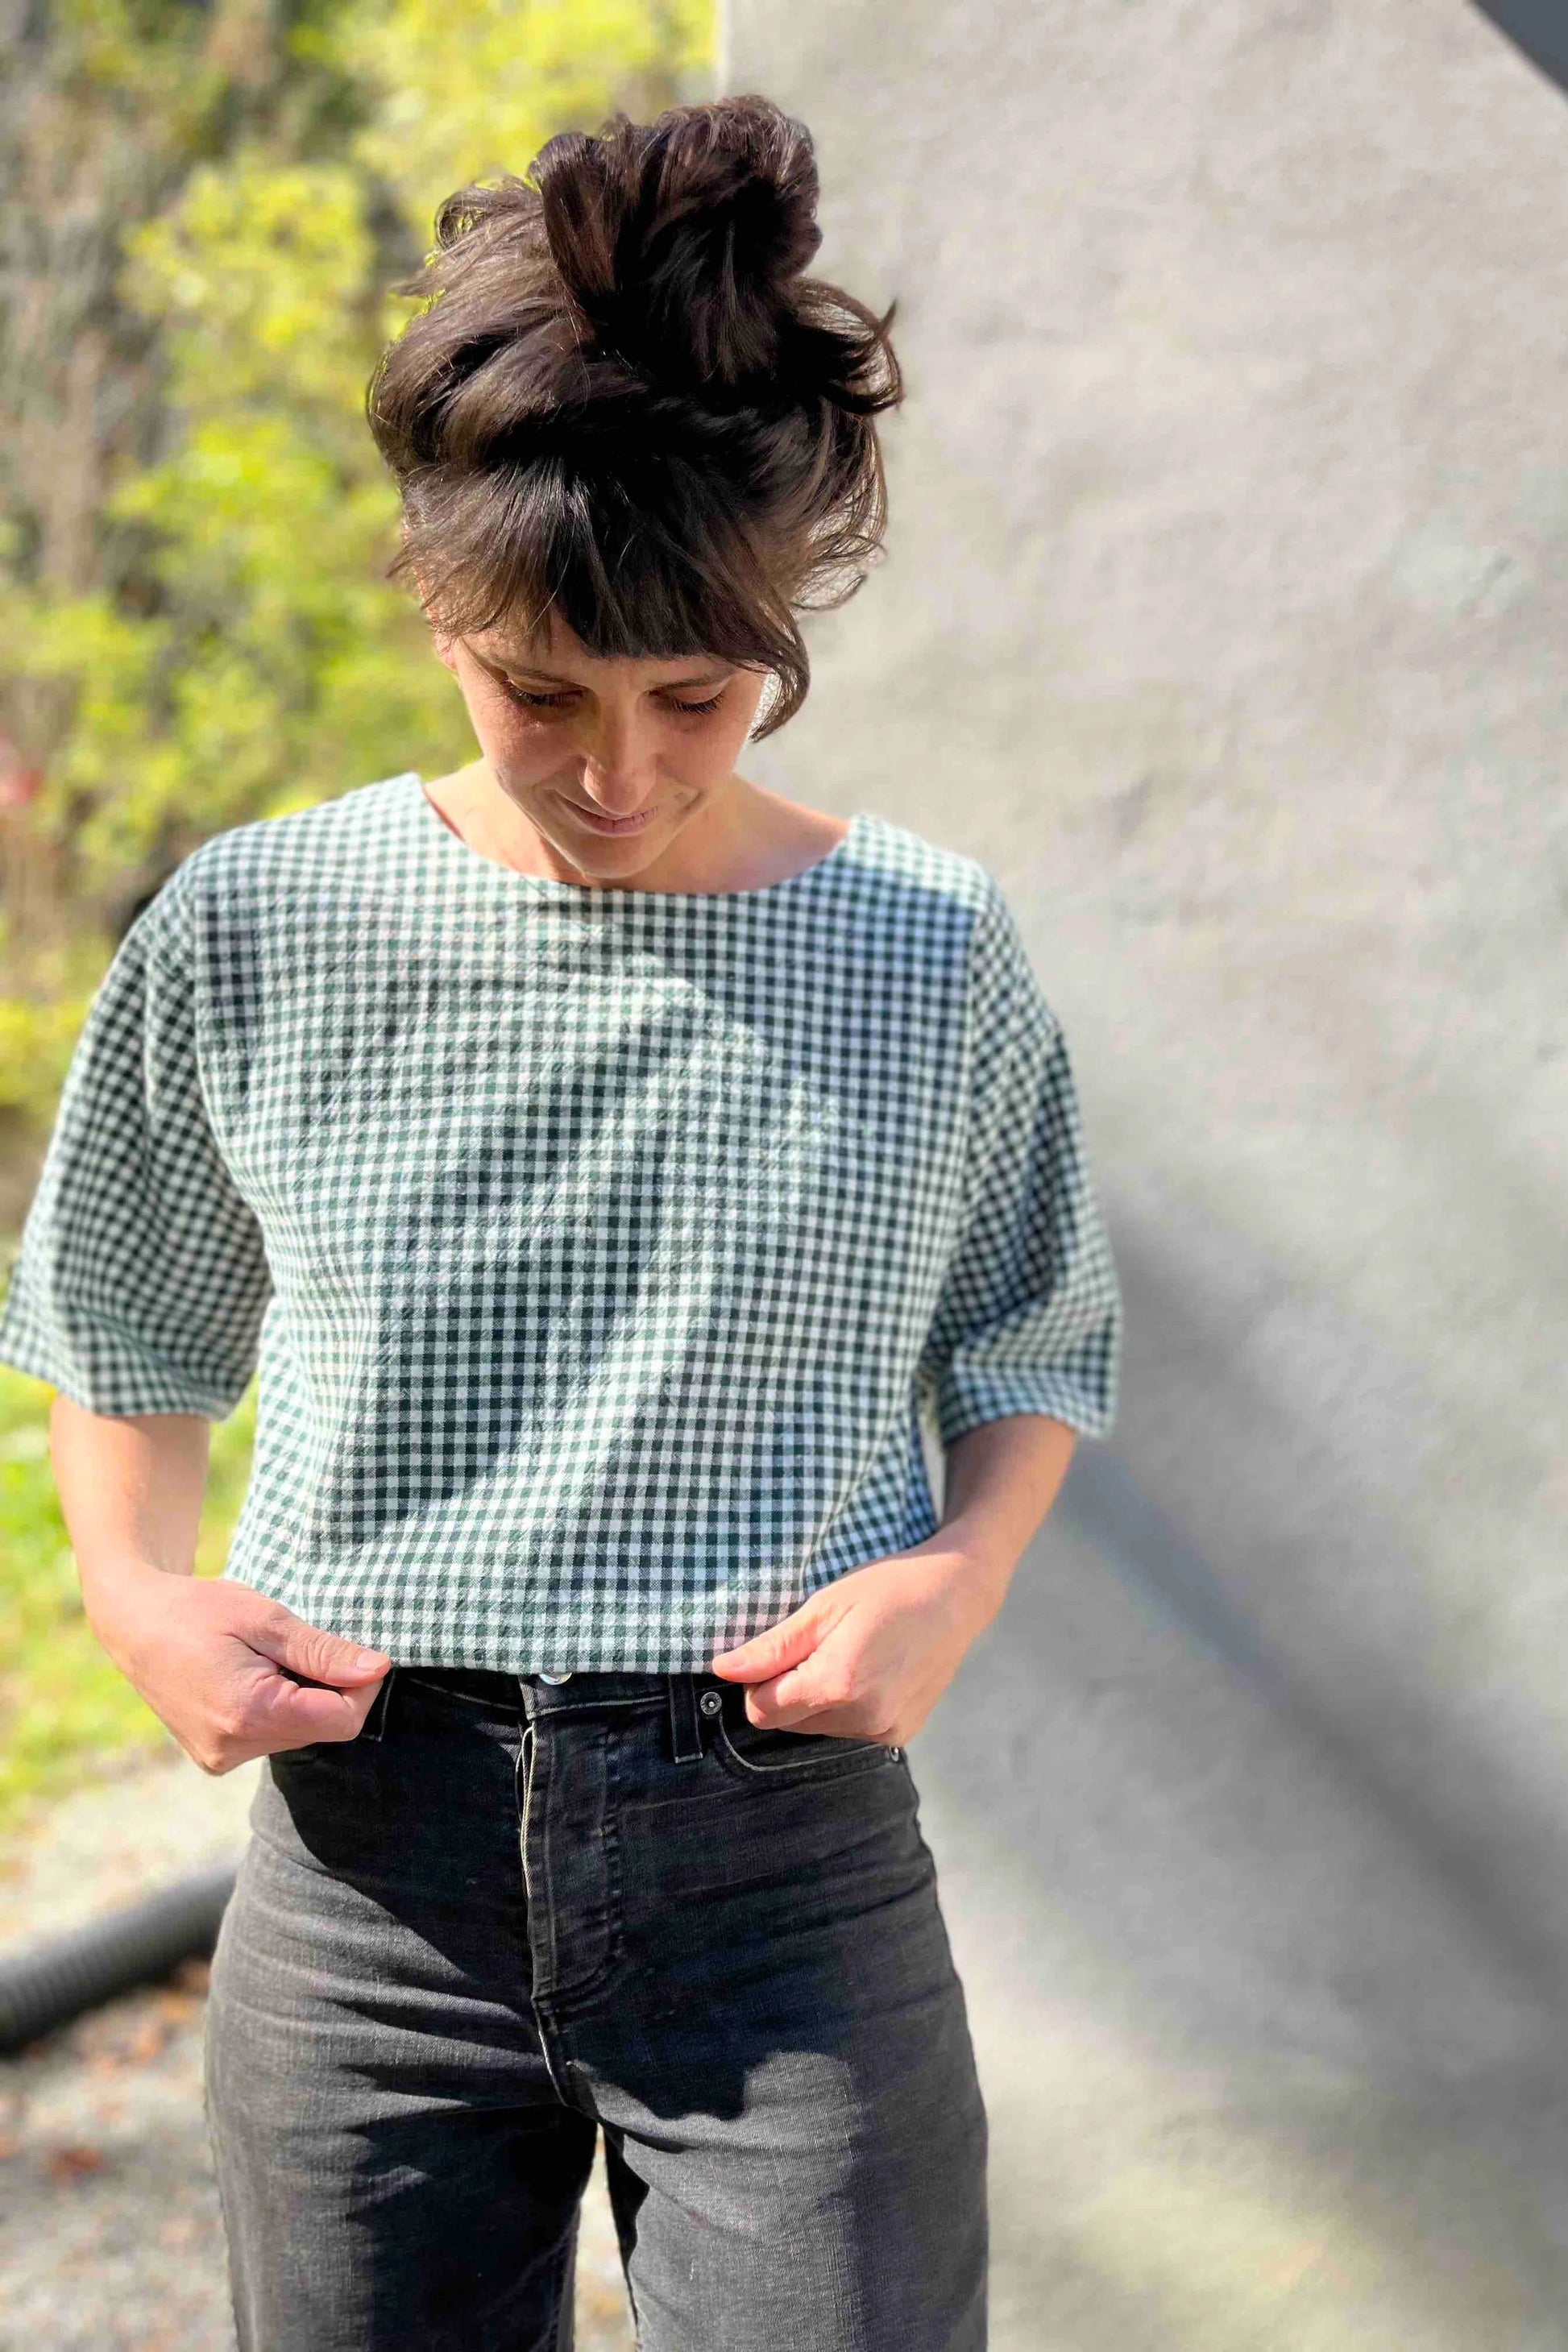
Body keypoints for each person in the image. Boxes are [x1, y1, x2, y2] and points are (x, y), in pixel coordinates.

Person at [0, 93, 1121, 2352]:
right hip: (362, 1876)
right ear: (439, 607)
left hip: (778, 1881)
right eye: (541, 696)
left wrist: (955, 1574)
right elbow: (119, 1318)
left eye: (691, 700)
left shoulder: (926, 949)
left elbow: (1029, 1338)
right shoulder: (263, 923)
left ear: (776, 636)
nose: (617, 770)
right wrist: (132, 1592)